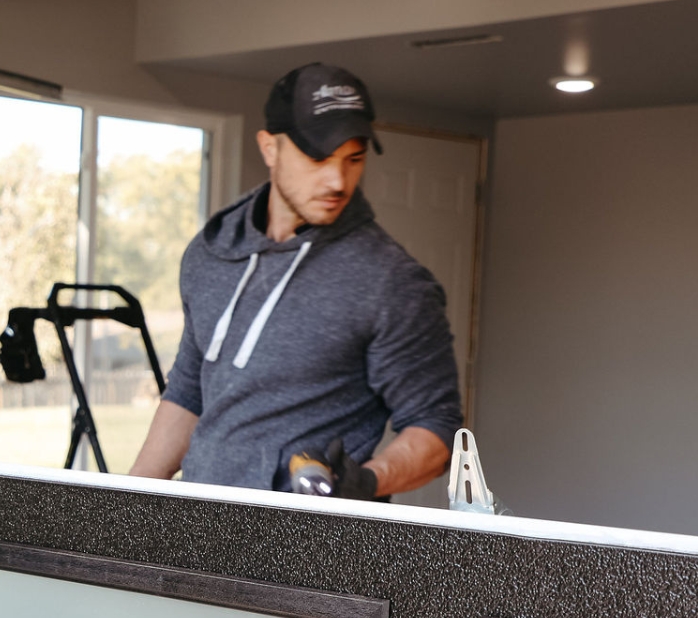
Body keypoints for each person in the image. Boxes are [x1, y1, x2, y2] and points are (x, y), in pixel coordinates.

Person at [130, 63, 461, 499]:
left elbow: (436, 430)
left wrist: (369, 481)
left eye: (354, 158)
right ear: (270, 148)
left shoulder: (390, 281)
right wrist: (125, 502)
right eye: (318, 157)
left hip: (312, 546)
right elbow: (189, 391)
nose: (337, 180)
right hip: (202, 528)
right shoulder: (211, 254)